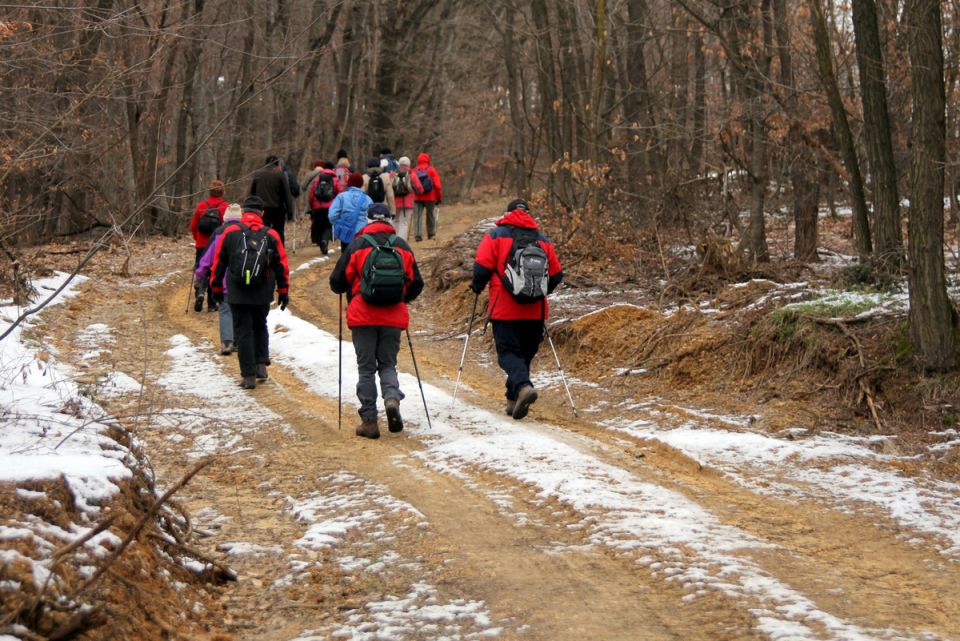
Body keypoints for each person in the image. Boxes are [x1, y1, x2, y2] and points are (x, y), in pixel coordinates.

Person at [329, 202, 424, 439]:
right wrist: (402, 298)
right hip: (393, 316)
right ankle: (391, 399)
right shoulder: (402, 245)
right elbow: (417, 283)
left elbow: (337, 282)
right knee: (388, 364)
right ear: (389, 220)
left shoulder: (358, 244)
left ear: (369, 220)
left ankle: (369, 422)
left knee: (366, 369)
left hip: (363, 316)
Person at [469, 199, 563, 420]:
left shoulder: (496, 235)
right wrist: (540, 293)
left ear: (508, 213)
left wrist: (476, 286)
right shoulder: (543, 240)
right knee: (524, 354)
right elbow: (557, 275)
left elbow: (482, 267)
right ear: (529, 214)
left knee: (508, 354)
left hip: (504, 308)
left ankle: (522, 387)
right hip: (535, 310)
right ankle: (513, 399)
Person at [210, 195, 290, 389]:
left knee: (243, 331)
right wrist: (283, 290)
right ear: (262, 213)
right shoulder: (271, 234)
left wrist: (216, 288)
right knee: (260, 325)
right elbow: (281, 264)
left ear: (244, 212)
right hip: (263, 289)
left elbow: (218, 263)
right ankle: (261, 365)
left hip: (237, 291)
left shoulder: (230, 233)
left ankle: (248, 377)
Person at [195, 203, 243, 355]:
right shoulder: (246, 231)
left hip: (223, 279)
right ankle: (237, 341)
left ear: (225, 218)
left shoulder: (219, 232)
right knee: (240, 310)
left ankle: (227, 343)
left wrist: (199, 274)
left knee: (225, 309)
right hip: (243, 278)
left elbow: (207, 258)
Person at [189, 180, 229, 312]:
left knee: (200, 269)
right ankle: (212, 303)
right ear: (222, 192)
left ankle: (199, 292)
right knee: (214, 271)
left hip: (201, 244)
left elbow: (193, 226)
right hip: (217, 245)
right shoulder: (225, 207)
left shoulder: (201, 205)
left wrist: (197, 239)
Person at [250, 155, 295, 245]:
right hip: (277, 208)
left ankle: (263, 249)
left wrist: (251, 208)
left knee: (263, 231)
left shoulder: (258, 173)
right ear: (277, 163)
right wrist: (290, 211)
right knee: (278, 231)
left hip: (262, 209)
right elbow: (287, 194)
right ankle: (278, 250)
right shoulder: (280, 174)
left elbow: (252, 192)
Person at [328, 172, 372, 251]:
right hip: (363, 234)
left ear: (349, 183)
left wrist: (340, 224)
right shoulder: (368, 199)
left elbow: (332, 216)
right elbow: (372, 218)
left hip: (346, 233)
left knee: (346, 260)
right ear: (361, 184)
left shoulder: (341, 197)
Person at [303, 161, 339, 254]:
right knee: (329, 226)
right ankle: (324, 241)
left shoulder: (317, 179)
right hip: (330, 207)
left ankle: (321, 243)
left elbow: (311, 194)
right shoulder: (335, 179)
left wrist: (312, 206)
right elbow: (339, 193)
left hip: (317, 207)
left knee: (319, 226)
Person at [413, 153, 442, 241]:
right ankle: (431, 234)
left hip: (417, 197)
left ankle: (418, 236)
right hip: (430, 197)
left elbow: (411, 185)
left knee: (417, 216)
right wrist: (439, 198)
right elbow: (438, 186)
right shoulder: (431, 170)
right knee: (430, 215)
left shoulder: (414, 171)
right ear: (428, 160)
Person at [392, 156, 423, 241]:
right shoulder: (412, 174)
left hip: (395, 202)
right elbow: (420, 189)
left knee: (395, 221)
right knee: (404, 223)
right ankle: (401, 241)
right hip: (407, 202)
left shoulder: (393, 174)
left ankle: (393, 240)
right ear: (409, 164)